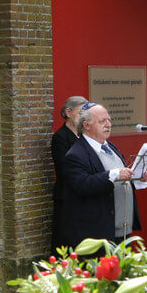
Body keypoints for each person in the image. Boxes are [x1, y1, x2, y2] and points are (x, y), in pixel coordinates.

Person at [58, 102, 146, 247]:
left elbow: (118, 180)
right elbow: (82, 185)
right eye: (102, 121)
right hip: (98, 234)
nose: (108, 124)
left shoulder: (111, 146)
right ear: (86, 125)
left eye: (109, 120)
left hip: (123, 231)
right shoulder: (76, 154)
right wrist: (114, 174)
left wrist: (137, 178)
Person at [50, 96, 86, 250]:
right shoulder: (61, 137)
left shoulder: (85, 136)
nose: (83, 118)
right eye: (80, 113)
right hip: (67, 195)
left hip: (83, 192)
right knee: (66, 237)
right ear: (68, 112)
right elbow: (65, 167)